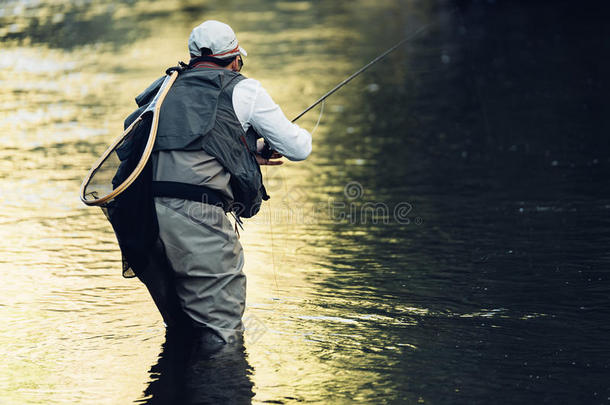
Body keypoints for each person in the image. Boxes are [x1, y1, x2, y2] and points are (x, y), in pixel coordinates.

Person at [130, 20, 312, 349]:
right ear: (235, 60)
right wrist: (279, 140)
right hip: (198, 215)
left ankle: (175, 388)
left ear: (192, 59)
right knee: (222, 330)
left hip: (142, 217)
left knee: (183, 324)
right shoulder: (244, 88)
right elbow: (299, 148)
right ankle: (226, 391)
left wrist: (246, 150)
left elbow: (186, 142)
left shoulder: (165, 87)